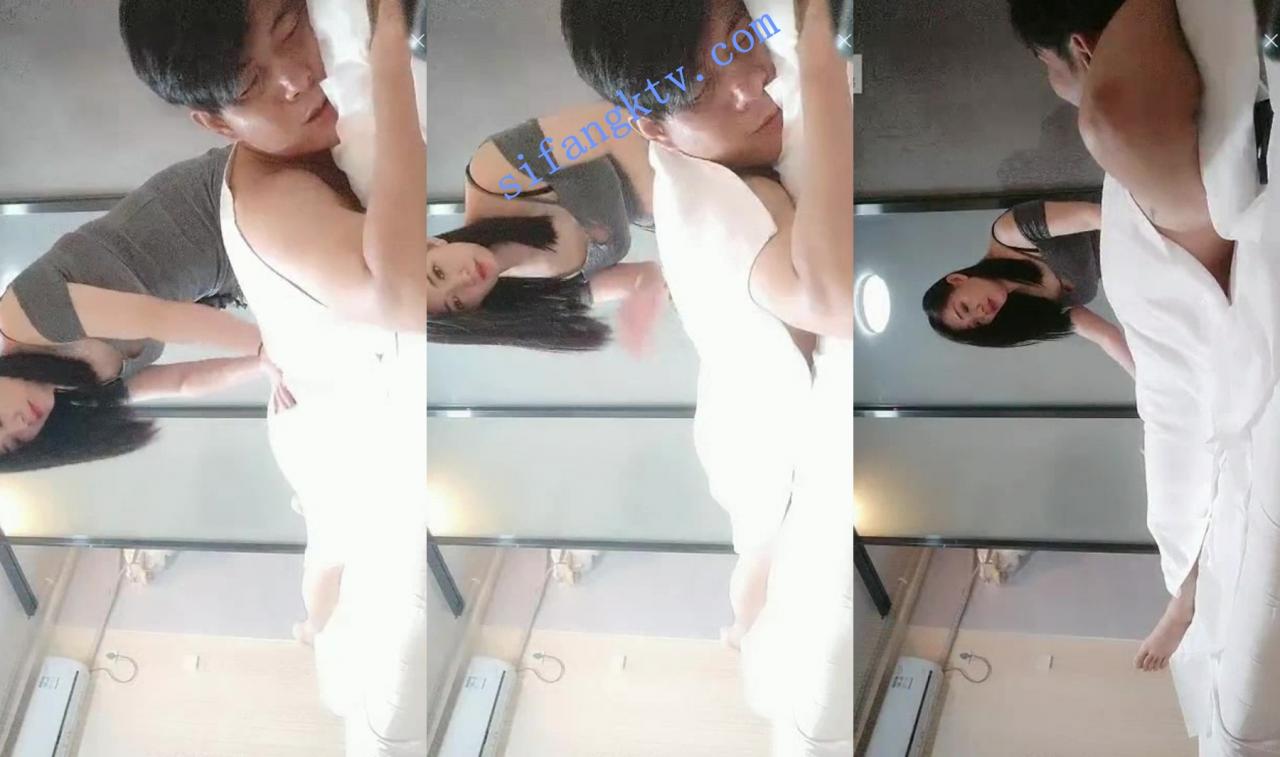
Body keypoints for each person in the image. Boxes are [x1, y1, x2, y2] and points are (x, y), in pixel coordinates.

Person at [121, 0, 428, 752]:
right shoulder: (272, 194)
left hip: (312, 407)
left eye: (291, 28)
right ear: (216, 123)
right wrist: (390, 50)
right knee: (354, 574)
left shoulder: (303, 147)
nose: (296, 76)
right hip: (334, 434)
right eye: (251, 82)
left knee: (333, 553)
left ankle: (326, 645)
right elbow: (400, 294)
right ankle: (334, 660)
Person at [563, 0, 853, 751]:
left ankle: (748, 627)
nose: (752, 84)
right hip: (755, 434)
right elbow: (829, 300)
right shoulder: (724, 208)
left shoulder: (701, 166)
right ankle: (752, 634)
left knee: (759, 558)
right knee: (771, 564)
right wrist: (822, 70)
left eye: (742, 39)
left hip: (735, 417)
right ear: (656, 127)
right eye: (703, 87)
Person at [1008, 0, 1246, 676]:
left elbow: (1109, 116)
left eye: (1045, 65)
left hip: (1182, 338)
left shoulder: (1014, 230)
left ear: (1084, 50)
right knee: (1173, 491)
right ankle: (1190, 586)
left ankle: (1192, 589)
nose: (978, 308)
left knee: (1185, 489)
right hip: (1164, 350)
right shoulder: (1030, 301)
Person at [0, 148, 286, 473]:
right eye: (17, 442)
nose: (21, 424)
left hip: (214, 203)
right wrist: (261, 365)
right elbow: (182, 382)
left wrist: (265, 347)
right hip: (236, 265)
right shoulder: (80, 390)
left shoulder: (22, 318)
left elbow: (160, 318)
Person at [428, 102, 670, 353]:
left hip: (671, 123)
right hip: (687, 198)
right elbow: (644, 277)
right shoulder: (536, 293)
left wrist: (663, 203)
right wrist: (642, 304)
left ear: (431, 245)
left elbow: (614, 120)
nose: (463, 280)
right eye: (456, 302)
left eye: (438, 272)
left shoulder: (494, 175)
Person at [922, 199, 1136, 375]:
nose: (982, 313)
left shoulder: (1009, 233)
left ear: (957, 280)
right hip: (1138, 260)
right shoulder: (1030, 307)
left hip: (1136, 215)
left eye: (965, 308)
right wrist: (1143, 380)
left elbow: (1096, 216)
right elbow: (1105, 336)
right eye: (977, 323)